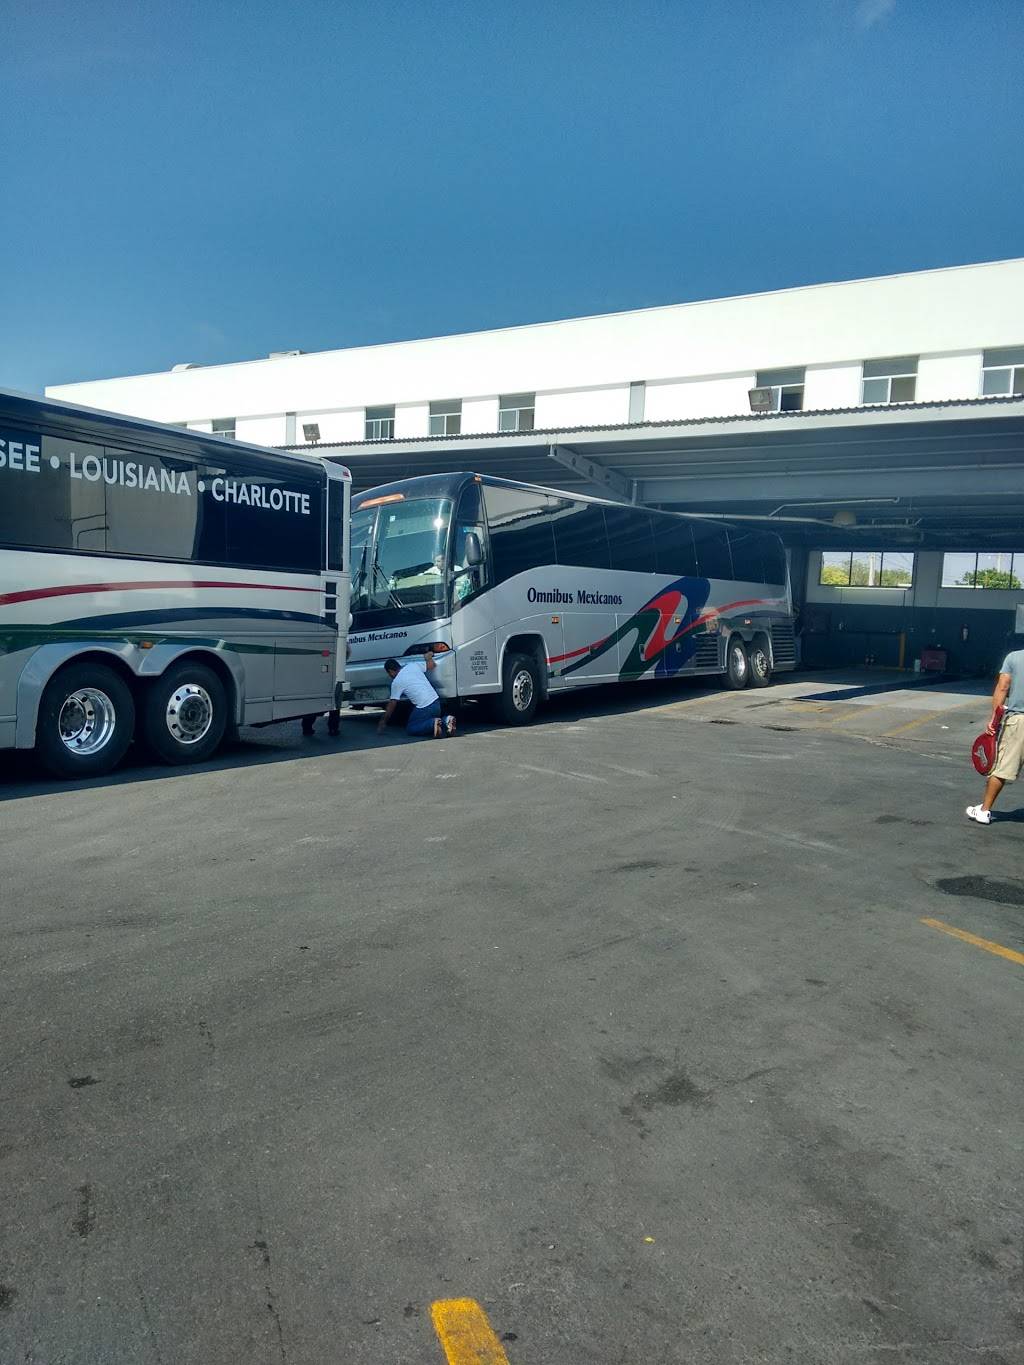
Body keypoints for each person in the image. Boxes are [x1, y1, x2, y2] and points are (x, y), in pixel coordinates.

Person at [966, 646, 1024, 824]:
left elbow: (1003, 687)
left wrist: (994, 719)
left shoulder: (1014, 657)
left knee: (1002, 768)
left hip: (1020, 721)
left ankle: (984, 811)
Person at [378, 651, 455, 739]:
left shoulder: (396, 682)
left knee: (411, 728)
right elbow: (432, 665)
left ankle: (433, 723)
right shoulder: (412, 666)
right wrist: (428, 657)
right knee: (423, 716)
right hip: (436, 703)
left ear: (391, 671)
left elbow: (392, 704)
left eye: (389, 674)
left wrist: (383, 721)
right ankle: (446, 720)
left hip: (425, 707)